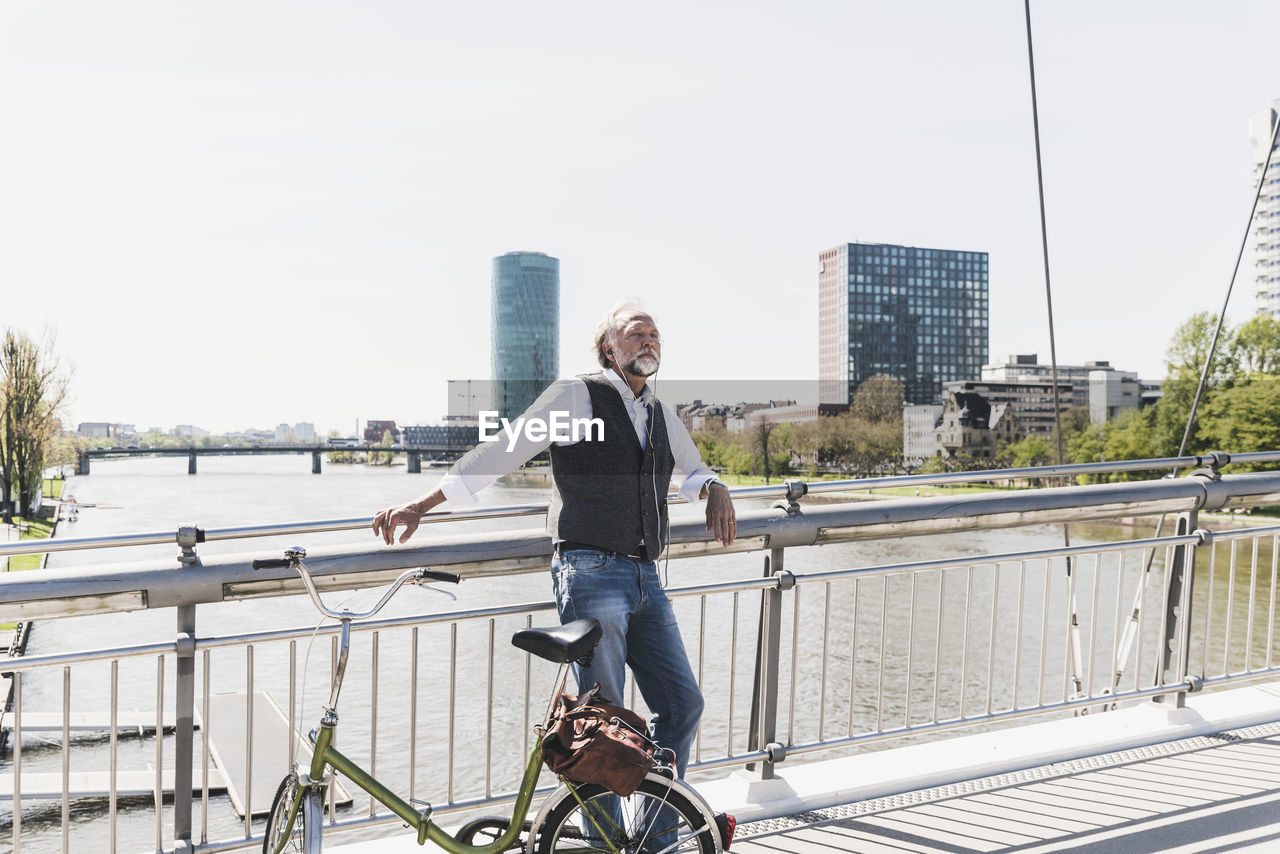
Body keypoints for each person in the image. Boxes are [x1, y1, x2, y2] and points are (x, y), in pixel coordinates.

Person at [372, 299, 736, 779]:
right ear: (609, 349)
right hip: (592, 572)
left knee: (683, 704)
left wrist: (716, 487)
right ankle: (600, 839)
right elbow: (503, 451)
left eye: (655, 335)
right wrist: (421, 504)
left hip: (647, 574)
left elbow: (694, 471)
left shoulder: (660, 413)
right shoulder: (578, 396)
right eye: (635, 333)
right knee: (602, 722)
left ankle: (655, 834)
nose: (649, 340)